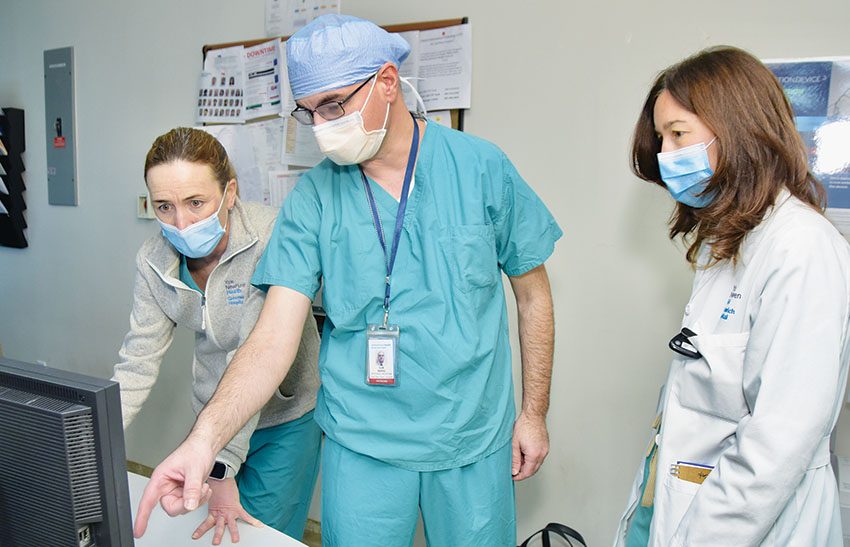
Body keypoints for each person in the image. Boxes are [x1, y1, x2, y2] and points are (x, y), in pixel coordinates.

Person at [134, 14, 561, 547]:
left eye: (334, 105)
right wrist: (203, 443)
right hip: (362, 445)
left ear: (387, 82)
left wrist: (534, 412)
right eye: (309, 110)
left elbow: (532, 294)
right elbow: (271, 340)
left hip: (470, 437)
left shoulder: (480, 168)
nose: (320, 125)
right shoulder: (313, 199)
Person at [614, 46, 850, 546]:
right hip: (680, 503)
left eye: (679, 134)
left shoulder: (801, 249)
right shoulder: (731, 241)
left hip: (744, 527)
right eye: (661, 138)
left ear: (739, 128)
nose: (665, 154)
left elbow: (779, 441)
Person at [112, 127, 322, 544]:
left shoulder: (270, 237)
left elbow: (255, 352)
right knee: (217, 535)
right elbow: (137, 359)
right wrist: (85, 439)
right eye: (164, 206)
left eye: (195, 202)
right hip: (213, 413)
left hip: (286, 417)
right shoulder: (155, 262)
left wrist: (219, 462)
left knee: (263, 536)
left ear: (229, 193)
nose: (181, 222)